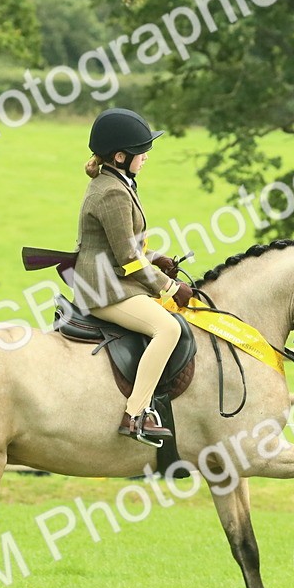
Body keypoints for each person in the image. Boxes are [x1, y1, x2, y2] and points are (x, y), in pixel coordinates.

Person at [72, 108, 193, 443]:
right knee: (167, 328)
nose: (146, 158)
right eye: (142, 152)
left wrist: (158, 259)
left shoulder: (120, 182)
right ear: (121, 156)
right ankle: (135, 415)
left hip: (116, 279)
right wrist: (169, 288)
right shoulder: (111, 192)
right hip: (103, 289)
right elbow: (126, 257)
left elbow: (129, 245)